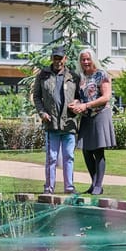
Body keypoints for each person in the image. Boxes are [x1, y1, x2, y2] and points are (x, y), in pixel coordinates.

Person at [32, 45, 81, 194]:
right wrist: (42, 112)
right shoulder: (43, 75)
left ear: (65, 59)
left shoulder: (73, 77)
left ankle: (69, 187)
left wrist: (78, 103)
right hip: (50, 123)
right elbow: (36, 97)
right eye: (55, 58)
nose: (58, 61)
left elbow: (80, 97)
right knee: (51, 158)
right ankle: (49, 187)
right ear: (51, 58)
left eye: (60, 58)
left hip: (69, 123)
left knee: (69, 156)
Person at [69, 48, 116, 195]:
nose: (85, 62)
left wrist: (86, 105)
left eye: (88, 59)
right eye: (83, 59)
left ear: (93, 59)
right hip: (86, 116)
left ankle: (98, 185)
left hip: (100, 114)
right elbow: (79, 95)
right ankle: (94, 183)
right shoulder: (81, 76)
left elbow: (106, 97)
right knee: (86, 150)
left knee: (97, 150)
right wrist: (75, 103)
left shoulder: (101, 74)